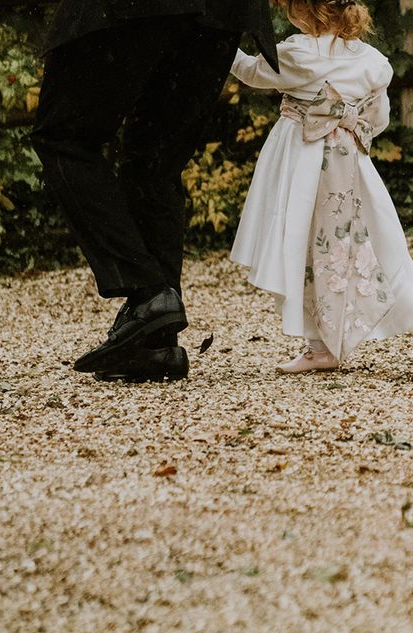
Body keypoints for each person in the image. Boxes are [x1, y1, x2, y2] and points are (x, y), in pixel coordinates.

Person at [32, 1, 278, 382]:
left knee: (64, 138)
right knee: (155, 162)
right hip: (222, 14)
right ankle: (154, 344)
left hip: (131, 9)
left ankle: (149, 295)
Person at [230, 0, 413, 373]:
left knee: (303, 243)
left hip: (303, 161)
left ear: (307, 12)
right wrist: (349, 124)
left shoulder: (298, 54)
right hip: (350, 162)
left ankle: (319, 345)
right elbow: (379, 118)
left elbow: (253, 72)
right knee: (354, 238)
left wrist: (221, 43)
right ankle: (336, 336)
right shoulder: (372, 61)